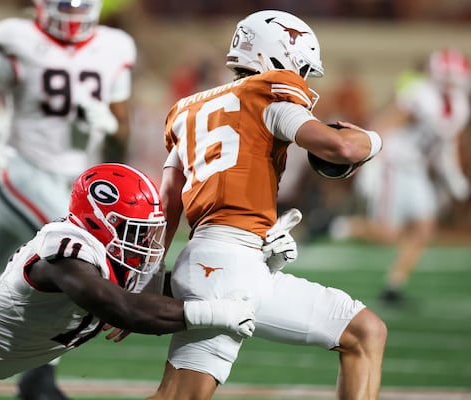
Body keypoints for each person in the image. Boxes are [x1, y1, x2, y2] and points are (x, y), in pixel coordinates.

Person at [148, 10, 388, 400]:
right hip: (227, 270)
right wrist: (373, 140)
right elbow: (341, 146)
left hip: (214, 260)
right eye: (302, 69)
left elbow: (166, 205)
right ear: (280, 58)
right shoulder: (269, 92)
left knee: (365, 331)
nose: (303, 80)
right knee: (179, 397)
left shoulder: (186, 109)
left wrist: (148, 275)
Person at [0, 163, 256, 400]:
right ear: (97, 222)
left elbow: (173, 289)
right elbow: (125, 310)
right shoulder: (66, 250)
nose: (143, 244)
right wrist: (215, 313)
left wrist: (249, 263)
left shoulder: (103, 262)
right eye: (135, 232)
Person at [0, 0, 137, 398]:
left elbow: (120, 137)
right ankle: (39, 381)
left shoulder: (113, 47)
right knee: (76, 257)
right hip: (21, 172)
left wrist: (109, 126)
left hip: (67, 180)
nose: (73, 9)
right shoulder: (20, 41)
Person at [330, 48, 471, 304]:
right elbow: (385, 125)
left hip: (416, 169)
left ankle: (393, 286)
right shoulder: (421, 95)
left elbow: (445, 146)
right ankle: (339, 225)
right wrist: (370, 164)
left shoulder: (460, 105)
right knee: (388, 235)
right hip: (392, 164)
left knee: (424, 227)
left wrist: (454, 179)